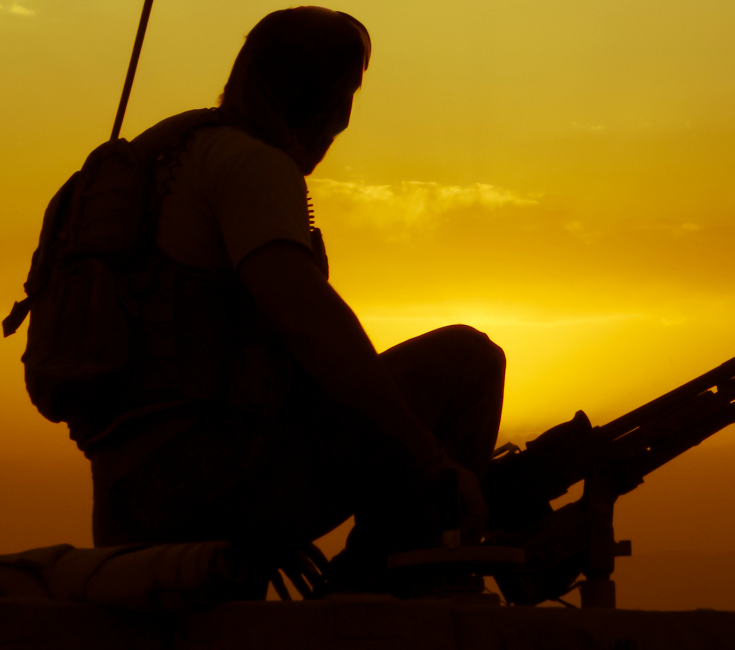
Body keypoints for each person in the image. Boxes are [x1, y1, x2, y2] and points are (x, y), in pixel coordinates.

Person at [82, 7, 502, 591]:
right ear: (324, 102)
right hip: (208, 486)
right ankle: (380, 597)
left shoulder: (167, 156)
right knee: (467, 362)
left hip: (128, 499)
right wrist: (429, 457)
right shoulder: (251, 166)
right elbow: (309, 324)